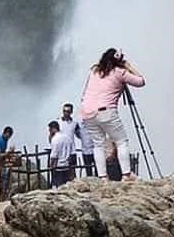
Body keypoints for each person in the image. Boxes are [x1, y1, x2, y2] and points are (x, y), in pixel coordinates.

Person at [79, 48, 145, 180]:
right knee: (121, 141)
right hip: (106, 111)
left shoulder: (94, 71)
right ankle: (126, 175)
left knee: (98, 144)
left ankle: (103, 177)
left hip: (86, 112)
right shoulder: (120, 72)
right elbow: (141, 81)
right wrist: (129, 66)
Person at [48, 121, 74, 188]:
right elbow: (71, 153)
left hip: (58, 167)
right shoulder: (67, 137)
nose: (49, 131)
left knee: (58, 187)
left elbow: (54, 155)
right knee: (67, 187)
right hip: (67, 166)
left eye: (50, 129)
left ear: (53, 129)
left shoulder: (55, 139)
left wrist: (50, 166)